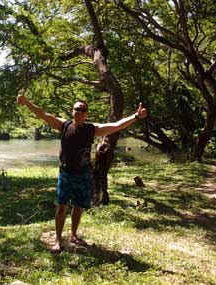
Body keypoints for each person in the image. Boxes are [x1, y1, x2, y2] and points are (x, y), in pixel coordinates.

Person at [16, 90, 148, 251]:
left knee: (78, 206)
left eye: (82, 110)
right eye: (76, 109)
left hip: (84, 173)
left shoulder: (92, 129)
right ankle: (58, 239)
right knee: (62, 206)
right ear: (73, 111)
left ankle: (73, 235)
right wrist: (26, 102)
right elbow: (43, 114)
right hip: (66, 173)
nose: (79, 112)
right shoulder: (63, 126)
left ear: (86, 114)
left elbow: (116, 126)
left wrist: (135, 116)